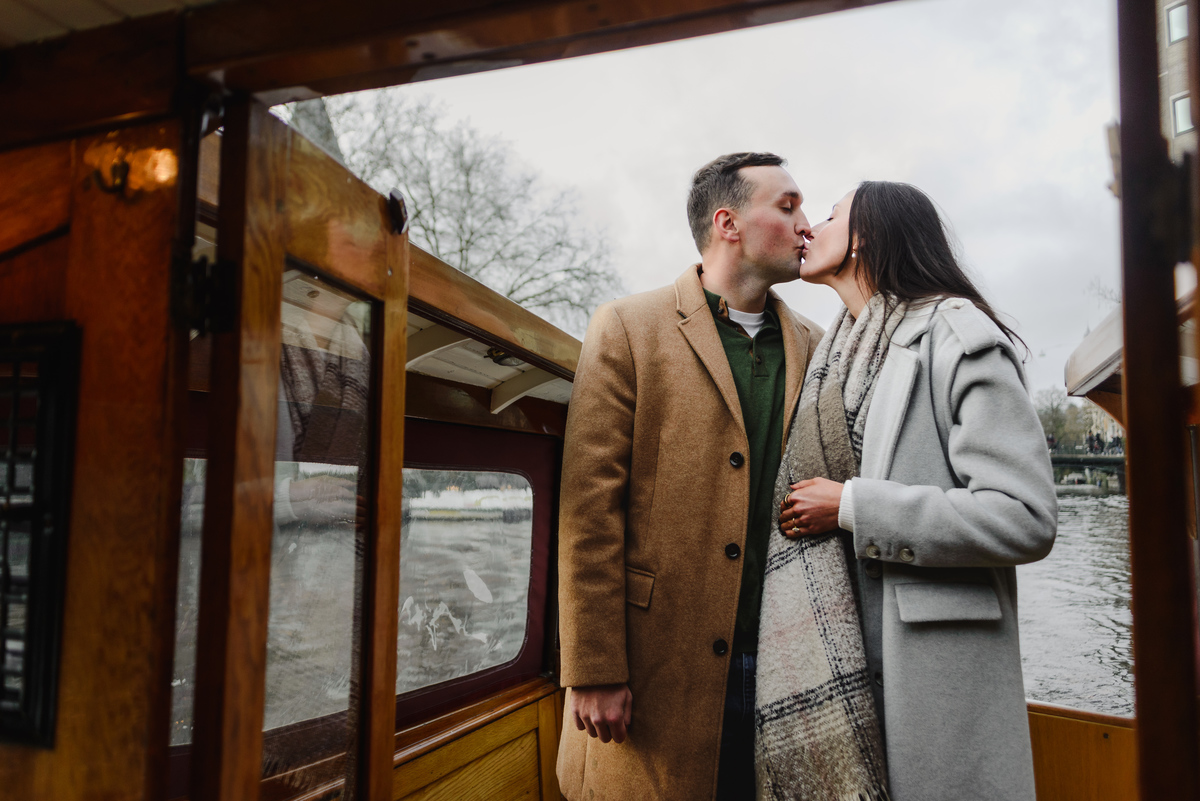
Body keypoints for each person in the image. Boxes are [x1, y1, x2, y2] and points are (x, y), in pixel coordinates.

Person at [773, 181, 1056, 801]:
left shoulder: (956, 337)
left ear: (865, 233)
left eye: (828, 215)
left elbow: (1025, 517)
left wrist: (851, 506)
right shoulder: (833, 354)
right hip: (844, 650)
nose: (809, 228)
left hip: (932, 666)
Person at [556, 152, 823, 800]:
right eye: (787, 207)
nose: (807, 225)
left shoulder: (817, 343)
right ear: (727, 223)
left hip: (781, 667)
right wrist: (592, 669)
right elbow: (589, 510)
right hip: (653, 666)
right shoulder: (626, 327)